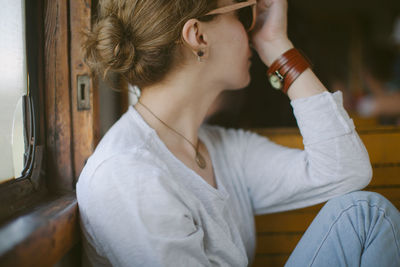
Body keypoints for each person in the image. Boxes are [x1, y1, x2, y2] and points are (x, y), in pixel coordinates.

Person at [76, 0, 400, 266]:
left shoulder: (218, 147)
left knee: (365, 214)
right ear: (198, 37)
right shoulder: (126, 173)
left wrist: (277, 46)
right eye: (242, 14)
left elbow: (346, 170)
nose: (255, 29)